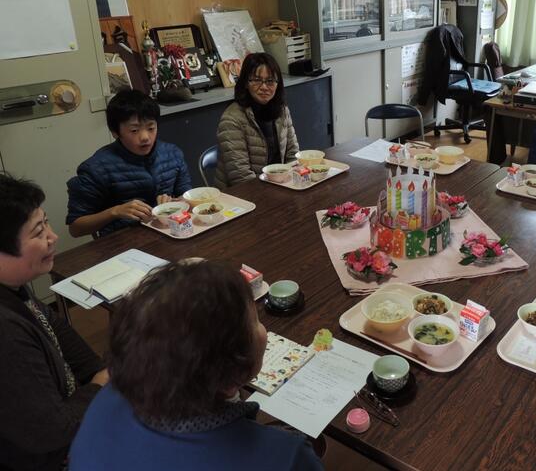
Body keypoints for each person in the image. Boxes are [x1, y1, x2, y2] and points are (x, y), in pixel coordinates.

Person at [69, 259, 322, 471]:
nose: (263, 330)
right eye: (255, 320)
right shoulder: (285, 457)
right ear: (232, 373)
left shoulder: (105, 400)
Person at [0, 173, 108, 470]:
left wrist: (101, 374)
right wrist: (100, 385)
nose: (52, 236)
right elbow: (52, 431)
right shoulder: (6, 332)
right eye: (38, 232)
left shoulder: (16, 290)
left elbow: (64, 337)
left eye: (46, 222)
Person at [66, 89, 192, 238]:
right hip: (122, 240)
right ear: (115, 132)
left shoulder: (172, 154)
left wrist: (177, 201)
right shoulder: (96, 168)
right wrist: (115, 212)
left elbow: (186, 196)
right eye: (134, 130)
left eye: (151, 128)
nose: (145, 137)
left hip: (170, 232)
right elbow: (75, 228)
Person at [215, 52, 299, 187]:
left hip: (278, 184)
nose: (264, 87)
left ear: (278, 84)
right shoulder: (231, 120)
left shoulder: (282, 110)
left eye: (270, 81)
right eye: (256, 80)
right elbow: (241, 177)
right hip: (243, 193)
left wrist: (291, 182)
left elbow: (293, 155)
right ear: (245, 83)